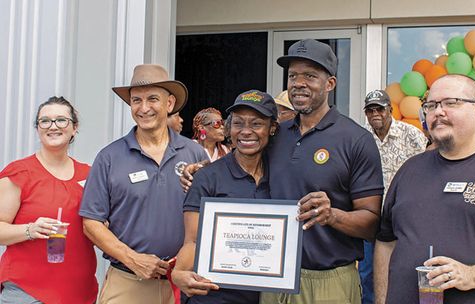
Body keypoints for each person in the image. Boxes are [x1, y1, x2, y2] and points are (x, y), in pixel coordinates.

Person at [180, 39, 383, 304]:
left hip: (328, 281)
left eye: (310, 75)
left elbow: (372, 224)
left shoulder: (355, 139)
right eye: (293, 75)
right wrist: (202, 171)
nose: (299, 82)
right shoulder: (276, 135)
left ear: (330, 84)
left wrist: (332, 215)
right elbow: (241, 162)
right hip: (271, 277)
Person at [374, 74, 475, 304]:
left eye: (451, 103)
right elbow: (386, 241)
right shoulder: (410, 170)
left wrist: (472, 276)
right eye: (431, 105)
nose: (438, 112)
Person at [79, 64, 208, 304]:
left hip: (183, 283)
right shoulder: (109, 157)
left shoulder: (194, 153)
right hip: (128, 283)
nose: (144, 108)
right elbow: (91, 223)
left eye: (152, 99)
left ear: (169, 104)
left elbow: (211, 213)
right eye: (136, 100)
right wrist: (132, 259)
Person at [171, 89, 278, 304]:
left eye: (256, 124)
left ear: (272, 128)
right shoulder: (207, 177)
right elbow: (192, 240)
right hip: (215, 294)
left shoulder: (282, 176)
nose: (246, 131)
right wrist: (179, 273)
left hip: (267, 295)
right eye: (238, 123)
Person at [0, 96, 98, 304]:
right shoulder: (19, 172)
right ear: (38, 129)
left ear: (74, 128)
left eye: (61, 120)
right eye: (45, 121)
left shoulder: (89, 175)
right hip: (28, 292)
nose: (53, 126)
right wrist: (29, 230)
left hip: (79, 291)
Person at [358, 89, 427, 304]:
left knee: (403, 269)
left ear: (390, 109)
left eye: (379, 108)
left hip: (404, 216)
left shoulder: (411, 134)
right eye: (370, 110)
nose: (375, 113)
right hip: (372, 215)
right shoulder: (361, 138)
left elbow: (427, 170)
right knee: (368, 273)